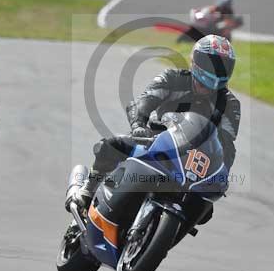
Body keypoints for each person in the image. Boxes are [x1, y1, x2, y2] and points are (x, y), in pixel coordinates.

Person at [68, 34, 240, 214]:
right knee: (111, 145)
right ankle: (87, 191)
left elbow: (227, 145)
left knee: (205, 211)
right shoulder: (173, 78)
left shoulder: (230, 104)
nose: (215, 70)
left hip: (194, 164)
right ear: (196, 61)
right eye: (211, 63)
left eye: (222, 65)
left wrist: (223, 173)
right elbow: (142, 103)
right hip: (155, 142)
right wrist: (138, 126)